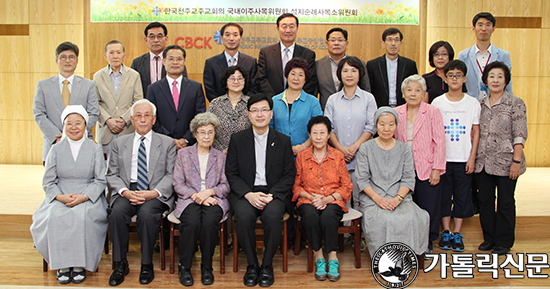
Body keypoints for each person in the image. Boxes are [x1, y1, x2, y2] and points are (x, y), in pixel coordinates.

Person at [30, 105, 107, 284]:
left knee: (82, 216)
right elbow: (48, 181)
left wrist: (83, 197)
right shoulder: (55, 149)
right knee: (54, 216)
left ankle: (80, 264)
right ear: (63, 126)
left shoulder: (94, 148)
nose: (74, 127)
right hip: (61, 194)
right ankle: (62, 265)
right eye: (69, 123)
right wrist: (59, 197)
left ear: (86, 125)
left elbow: (100, 181)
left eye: (78, 123)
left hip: (88, 195)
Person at [225, 93, 296, 287]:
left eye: (264, 110)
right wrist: (248, 194)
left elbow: (289, 174)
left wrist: (272, 195)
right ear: (248, 115)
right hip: (246, 192)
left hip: (273, 192)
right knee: (244, 217)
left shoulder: (282, 140)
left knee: (273, 217)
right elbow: (231, 173)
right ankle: (251, 264)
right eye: (254, 110)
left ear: (271, 114)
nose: (259, 114)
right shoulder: (238, 140)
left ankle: (266, 265)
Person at [106, 99, 176, 286]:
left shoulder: (167, 143)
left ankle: (147, 264)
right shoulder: (120, 143)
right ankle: (120, 264)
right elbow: (111, 174)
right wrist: (125, 192)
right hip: (128, 191)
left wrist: (152, 193)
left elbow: (171, 175)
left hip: (154, 193)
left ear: (154, 119)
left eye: (147, 116)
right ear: (132, 119)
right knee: (117, 213)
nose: (143, 120)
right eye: (138, 116)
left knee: (146, 215)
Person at [355, 107, 429, 258]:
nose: (386, 128)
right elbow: (362, 179)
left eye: (391, 124)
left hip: (400, 197)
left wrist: (398, 199)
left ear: (396, 125)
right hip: (373, 198)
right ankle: (385, 258)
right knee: (382, 219)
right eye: (382, 124)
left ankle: (406, 254)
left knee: (414, 217)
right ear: (376, 125)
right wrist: (379, 199)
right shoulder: (366, 148)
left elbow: (408, 178)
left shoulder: (404, 149)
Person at [475, 61, 527, 255]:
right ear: (485, 81)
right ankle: (490, 238)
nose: (495, 80)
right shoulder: (479, 104)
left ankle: (504, 241)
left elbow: (520, 134)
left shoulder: (515, 103)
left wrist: (516, 160)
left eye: (500, 76)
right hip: (484, 162)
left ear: (506, 81)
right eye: (491, 76)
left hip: (507, 162)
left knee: (505, 201)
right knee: (485, 200)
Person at [172, 112, 230, 286]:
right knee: (191, 222)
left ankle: (207, 267)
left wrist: (209, 192)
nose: (206, 136)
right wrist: (197, 196)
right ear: (195, 134)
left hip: (214, 199)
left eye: (210, 132)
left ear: (215, 134)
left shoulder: (221, 157)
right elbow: (177, 183)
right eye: (202, 132)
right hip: (189, 199)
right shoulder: (183, 155)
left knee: (210, 222)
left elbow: (226, 185)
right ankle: (185, 266)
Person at [292, 116, 352, 282]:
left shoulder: (338, 156)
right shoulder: (302, 156)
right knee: (310, 216)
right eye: (314, 133)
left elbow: (346, 186)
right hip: (308, 199)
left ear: (328, 135)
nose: (318, 137)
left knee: (328, 216)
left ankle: (332, 257)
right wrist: (312, 197)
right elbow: (296, 186)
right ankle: (319, 255)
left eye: (322, 133)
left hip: (333, 198)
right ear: (310, 135)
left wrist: (327, 199)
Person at [432, 60, 480, 252]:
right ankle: (445, 231)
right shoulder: (437, 102)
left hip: (463, 158)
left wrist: (472, 157)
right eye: (451, 75)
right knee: (444, 197)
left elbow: (476, 132)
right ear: (445, 78)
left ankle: (457, 233)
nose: (454, 79)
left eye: (458, 75)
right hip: (443, 159)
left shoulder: (472, 103)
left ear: (464, 78)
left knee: (461, 196)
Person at [394, 75, 446, 254]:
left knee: (428, 207)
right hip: (402, 169)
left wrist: (437, 169)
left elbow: (439, 141)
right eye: (409, 89)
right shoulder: (396, 112)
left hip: (427, 167)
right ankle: (407, 241)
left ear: (424, 93)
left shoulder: (432, 112)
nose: (413, 93)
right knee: (406, 207)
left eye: (418, 90)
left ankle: (427, 243)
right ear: (403, 93)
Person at [324, 56, 377, 211]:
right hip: (337, 157)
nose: (349, 74)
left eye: (354, 71)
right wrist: (341, 148)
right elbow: (329, 128)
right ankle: (345, 234)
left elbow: (371, 126)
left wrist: (354, 147)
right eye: (345, 70)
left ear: (360, 74)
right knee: (342, 198)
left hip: (361, 155)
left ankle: (362, 233)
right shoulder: (332, 100)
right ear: (339, 74)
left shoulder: (368, 99)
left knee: (361, 197)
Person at [33, 41, 99, 162]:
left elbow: (93, 113)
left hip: (82, 142)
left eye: (71, 57)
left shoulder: (88, 85)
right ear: (56, 60)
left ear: (77, 60)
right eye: (63, 57)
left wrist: (76, 133)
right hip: (53, 142)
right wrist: (57, 136)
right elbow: (39, 113)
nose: (67, 61)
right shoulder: (43, 85)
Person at [147, 45, 206, 150]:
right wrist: (170, 140)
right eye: (171, 59)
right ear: (164, 61)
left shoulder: (195, 87)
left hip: (190, 146)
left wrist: (186, 139)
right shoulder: (153, 89)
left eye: (179, 59)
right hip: (162, 145)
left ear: (184, 61)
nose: (175, 62)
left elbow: (199, 117)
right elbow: (152, 118)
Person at [94, 40, 143, 157]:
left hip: (127, 129)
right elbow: (94, 102)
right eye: (111, 53)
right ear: (105, 56)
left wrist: (123, 119)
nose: (115, 56)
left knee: (127, 168)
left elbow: (138, 101)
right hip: (106, 131)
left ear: (124, 56)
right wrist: (108, 120)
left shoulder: (134, 75)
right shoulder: (97, 76)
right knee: (105, 170)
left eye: (118, 52)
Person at [270, 57, 322, 156]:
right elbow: (270, 128)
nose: (296, 78)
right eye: (293, 74)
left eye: (300, 75)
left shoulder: (313, 102)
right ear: (287, 76)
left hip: (306, 154)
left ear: (305, 79)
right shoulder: (274, 101)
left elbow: (319, 129)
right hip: (278, 154)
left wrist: (303, 146)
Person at [256, 13, 317, 96]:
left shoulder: (308, 54)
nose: (288, 30)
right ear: (278, 28)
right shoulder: (266, 53)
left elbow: (310, 81)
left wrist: (294, 97)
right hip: (272, 102)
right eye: (284, 27)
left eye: (292, 26)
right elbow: (261, 79)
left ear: (297, 28)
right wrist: (276, 99)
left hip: (298, 102)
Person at [458, 12, 512, 100]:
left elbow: (508, 83)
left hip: (495, 103)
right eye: (480, 25)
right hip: (470, 103)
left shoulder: (503, 55)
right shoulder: (464, 55)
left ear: (493, 29)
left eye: (488, 25)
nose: (483, 29)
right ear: (473, 28)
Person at [316, 27, 370, 110]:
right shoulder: (318, 64)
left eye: (340, 40)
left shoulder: (358, 63)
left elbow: (366, 89)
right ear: (327, 44)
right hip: (327, 112)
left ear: (347, 43)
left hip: (355, 110)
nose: (336, 43)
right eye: (333, 40)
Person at [131, 22, 188, 98]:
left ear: (166, 39)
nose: (156, 40)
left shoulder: (175, 62)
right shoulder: (137, 63)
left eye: (159, 36)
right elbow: (134, 88)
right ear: (146, 40)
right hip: (146, 105)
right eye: (152, 37)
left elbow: (182, 84)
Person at [203, 22, 257, 101]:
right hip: (219, 109)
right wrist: (224, 106)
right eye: (227, 35)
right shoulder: (211, 63)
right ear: (221, 38)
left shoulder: (251, 62)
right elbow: (210, 90)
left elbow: (254, 88)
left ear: (240, 38)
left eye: (235, 35)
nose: (231, 38)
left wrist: (242, 104)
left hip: (245, 108)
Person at [367, 28, 417, 108]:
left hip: (404, 108)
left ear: (401, 43)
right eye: (389, 40)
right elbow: (369, 89)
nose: (393, 43)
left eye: (396, 40)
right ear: (383, 43)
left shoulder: (410, 65)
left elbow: (414, 87)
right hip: (380, 108)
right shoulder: (372, 65)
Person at [206, 65, 251, 153]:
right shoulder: (215, 104)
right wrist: (221, 151)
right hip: (218, 155)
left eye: (240, 78)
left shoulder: (251, 103)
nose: (236, 81)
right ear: (225, 82)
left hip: (246, 153)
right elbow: (208, 129)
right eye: (232, 78)